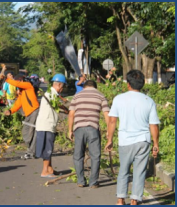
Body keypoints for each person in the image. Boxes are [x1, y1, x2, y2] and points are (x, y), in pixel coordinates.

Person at [105, 70, 160, 205]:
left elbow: (112, 121)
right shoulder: (149, 101)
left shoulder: (119, 98)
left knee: (123, 170)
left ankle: (120, 199)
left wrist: (110, 140)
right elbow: (153, 125)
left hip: (125, 141)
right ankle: (135, 200)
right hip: (143, 141)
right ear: (142, 83)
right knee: (139, 172)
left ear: (128, 84)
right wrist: (156, 143)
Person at [68, 80, 109, 188]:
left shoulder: (77, 96)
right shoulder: (100, 95)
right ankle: (93, 182)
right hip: (93, 129)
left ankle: (81, 181)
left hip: (79, 129)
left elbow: (71, 114)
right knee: (95, 156)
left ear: (84, 87)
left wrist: (70, 130)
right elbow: (107, 114)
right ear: (95, 87)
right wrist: (109, 131)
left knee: (78, 156)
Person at [0, 71, 39, 159]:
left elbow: (15, 82)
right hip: (28, 114)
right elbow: (18, 103)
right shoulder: (22, 92)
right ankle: (32, 151)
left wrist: (7, 79)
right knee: (26, 132)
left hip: (34, 112)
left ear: (21, 80)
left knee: (31, 133)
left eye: (18, 82)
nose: (17, 86)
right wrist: (10, 111)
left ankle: (31, 153)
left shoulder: (28, 85)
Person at [35, 74, 67, 178]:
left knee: (49, 147)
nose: (62, 89)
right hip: (46, 125)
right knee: (47, 148)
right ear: (59, 85)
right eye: (63, 87)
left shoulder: (52, 93)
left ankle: (50, 169)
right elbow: (58, 104)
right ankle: (45, 171)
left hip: (48, 125)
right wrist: (67, 110)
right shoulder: (51, 94)